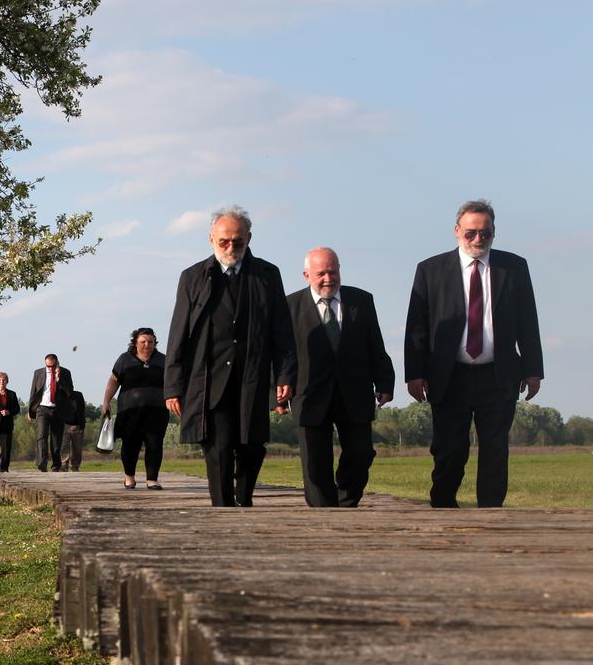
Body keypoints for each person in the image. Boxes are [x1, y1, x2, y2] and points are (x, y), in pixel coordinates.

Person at [405, 199, 543, 508]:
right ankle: (443, 507)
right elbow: (416, 328)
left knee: (495, 450)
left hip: (498, 375)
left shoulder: (514, 267)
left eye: (486, 233)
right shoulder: (431, 270)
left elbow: (527, 321)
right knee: (450, 450)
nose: (478, 240)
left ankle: (490, 515)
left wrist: (534, 370)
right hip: (449, 376)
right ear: (456, 232)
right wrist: (414, 374)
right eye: (471, 233)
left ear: (494, 232)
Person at [164, 206, 296, 506]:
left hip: (253, 376)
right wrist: (173, 385)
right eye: (224, 241)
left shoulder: (267, 275)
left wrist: (286, 374)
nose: (230, 248)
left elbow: (282, 332)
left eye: (237, 241)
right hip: (209, 379)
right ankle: (222, 508)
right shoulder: (193, 277)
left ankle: (244, 500)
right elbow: (178, 334)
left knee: (252, 445)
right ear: (211, 239)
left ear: (248, 238)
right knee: (218, 447)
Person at [287, 247, 396, 507]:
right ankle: (322, 510)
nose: (328, 279)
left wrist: (384, 382)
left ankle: (346, 502)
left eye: (332, 271)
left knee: (361, 453)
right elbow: (282, 354)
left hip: (354, 392)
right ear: (306, 275)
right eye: (321, 273)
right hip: (309, 394)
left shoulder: (362, 301)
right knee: (315, 460)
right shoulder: (289, 306)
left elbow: (375, 344)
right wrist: (277, 390)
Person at [102, 327, 169, 490]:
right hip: (129, 412)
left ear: (155, 343)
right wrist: (106, 401)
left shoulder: (164, 360)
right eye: (143, 341)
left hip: (157, 412)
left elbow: (173, 382)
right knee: (130, 445)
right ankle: (129, 477)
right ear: (135, 343)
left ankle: (152, 479)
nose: (147, 344)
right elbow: (113, 381)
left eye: (150, 342)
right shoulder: (124, 359)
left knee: (154, 445)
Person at [28, 353, 75, 472]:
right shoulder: (38, 373)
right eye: (48, 366)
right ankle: (41, 463)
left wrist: (59, 379)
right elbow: (33, 392)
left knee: (56, 439)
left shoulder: (65, 373)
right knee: (42, 436)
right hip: (42, 408)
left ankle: (56, 465)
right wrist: (30, 410)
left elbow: (70, 392)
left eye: (52, 366)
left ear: (57, 363)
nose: (50, 369)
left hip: (58, 409)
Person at [61, 390, 87, 472]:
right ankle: (64, 465)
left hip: (77, 425)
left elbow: (82, 409)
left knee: (77, 448)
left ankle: (75, 466)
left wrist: (82, 423)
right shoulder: (60, 396)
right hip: (64, 425)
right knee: (64, 446)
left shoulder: (78, 395)